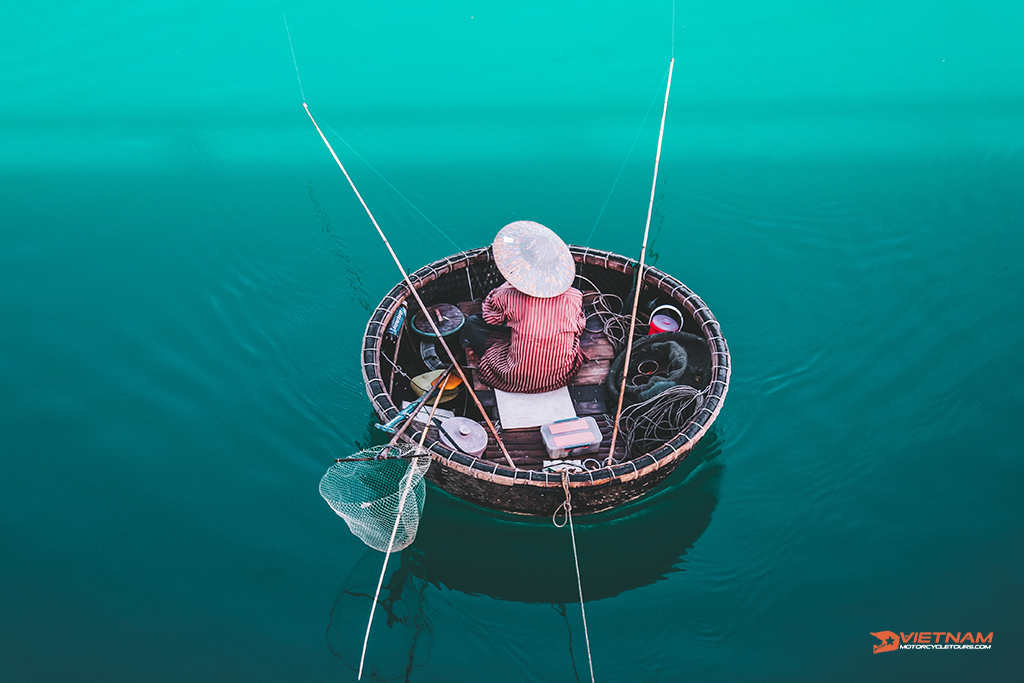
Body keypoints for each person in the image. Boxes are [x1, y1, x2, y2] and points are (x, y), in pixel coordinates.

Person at [466, 221, 586, 394]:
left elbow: (490, 317)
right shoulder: (575, 296)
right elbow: (579, 326)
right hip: (559, 375)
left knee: (472, 323)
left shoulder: (507, 294)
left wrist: (500, 291)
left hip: (515, 376)